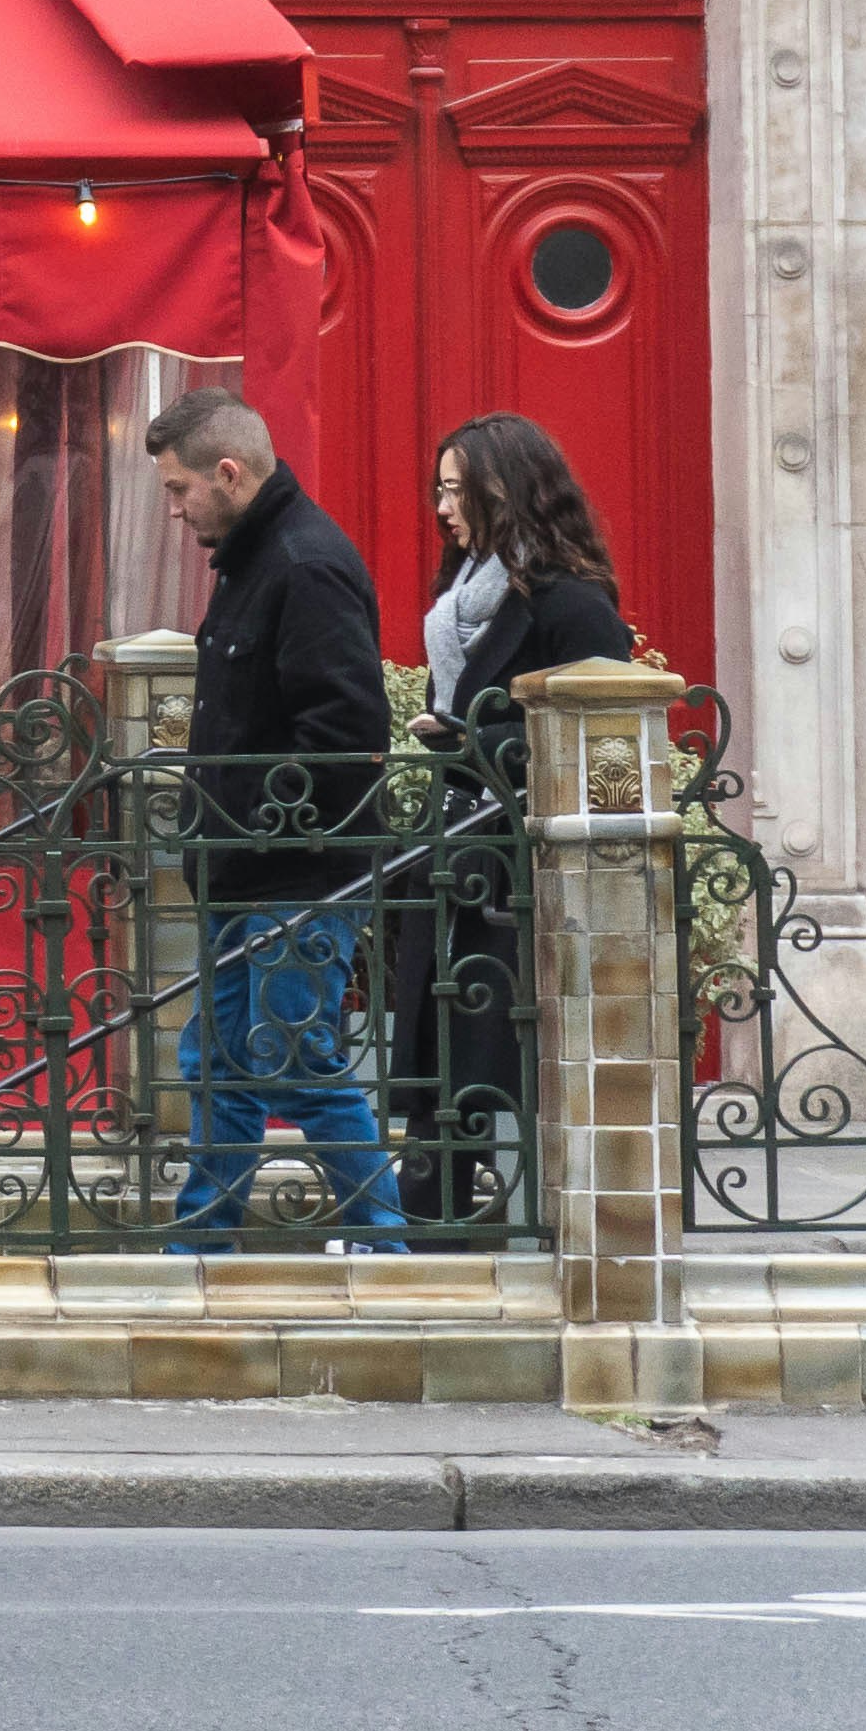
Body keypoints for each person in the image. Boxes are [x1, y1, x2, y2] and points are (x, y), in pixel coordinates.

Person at [149, 388, 403, 1247]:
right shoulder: (253, 559)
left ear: (228, 473)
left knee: (295, 1061)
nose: (176, 510)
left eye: (180, 490)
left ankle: (385, 1243)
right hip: (238, 868)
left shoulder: (302, 564)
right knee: (216, 1064)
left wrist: (256, 825)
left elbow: (345, 734)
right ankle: (199, 1240)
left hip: (296, 873)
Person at [391, 414, 633, 1230]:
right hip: (453, 853)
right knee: (435, 1052)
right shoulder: (456, 599)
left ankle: (528, 1219)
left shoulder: (572, 601)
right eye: (439, 489)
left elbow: (602, 735)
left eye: (456, 490)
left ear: (505, 491)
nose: (442, 508)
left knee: (497, 1051)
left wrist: (471, 738)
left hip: (520, 873)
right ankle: (432, 1222)